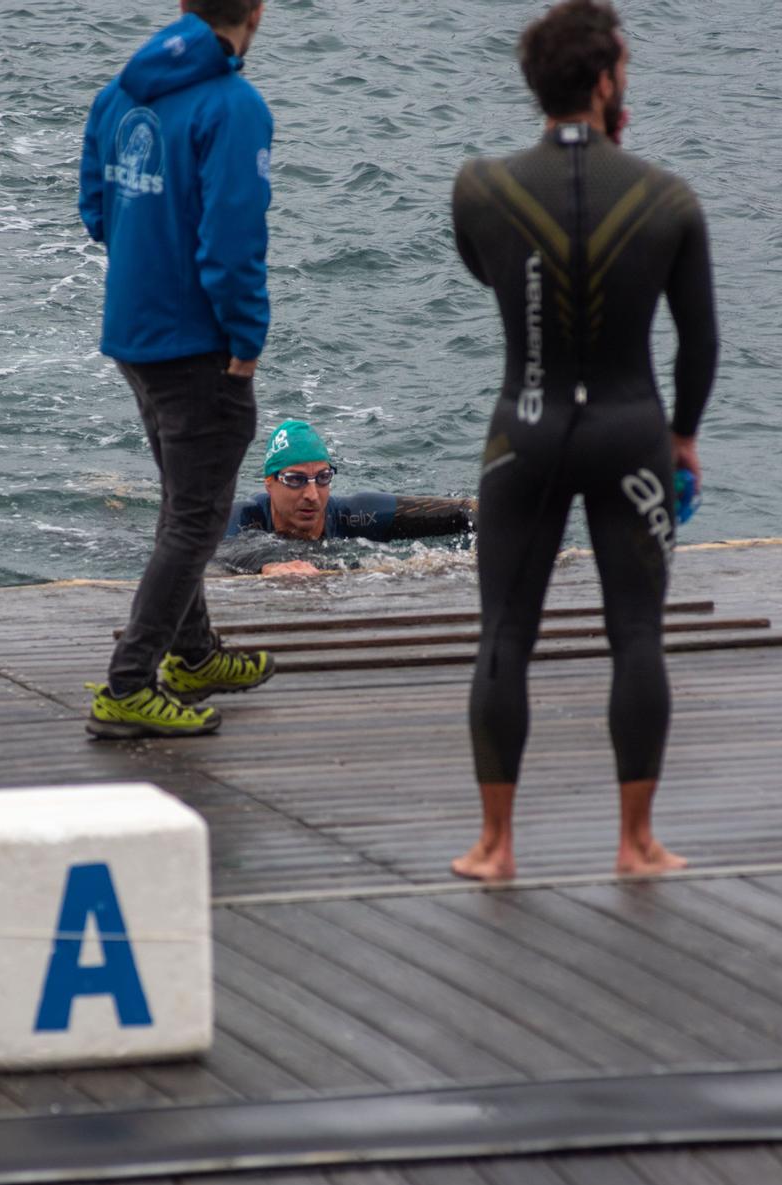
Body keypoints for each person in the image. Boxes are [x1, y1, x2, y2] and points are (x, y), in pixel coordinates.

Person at [448, 0, 719, 880]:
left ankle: (495, 848)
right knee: (637, 634)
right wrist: (682, 436)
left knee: (504, 636)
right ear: (605, 81)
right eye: (624, 73)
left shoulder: (480, 188)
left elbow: (487, 269)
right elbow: (701, 341)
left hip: (521, 434)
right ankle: (636, 845)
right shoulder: (669, 198)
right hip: (630, 429)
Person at [78, 0, 278, 738]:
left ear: (184, 7)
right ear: (255, 11)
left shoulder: (120, 93)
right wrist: (247, 337)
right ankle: (129, 682)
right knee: (195, 519)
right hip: (200, 344)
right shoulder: (234, 105)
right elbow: (232, 240)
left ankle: (192, 653)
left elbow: (95, 209)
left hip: (134, 331)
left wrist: (145, 255)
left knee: (181, 502)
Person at [223, 418, 477, 575]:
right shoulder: (243, 516)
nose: (312, 495)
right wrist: (269, 561)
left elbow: (464, 510)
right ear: (269, 484)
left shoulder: (355, 514)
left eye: (322, 478)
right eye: (295, 480)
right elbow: (207, 553)